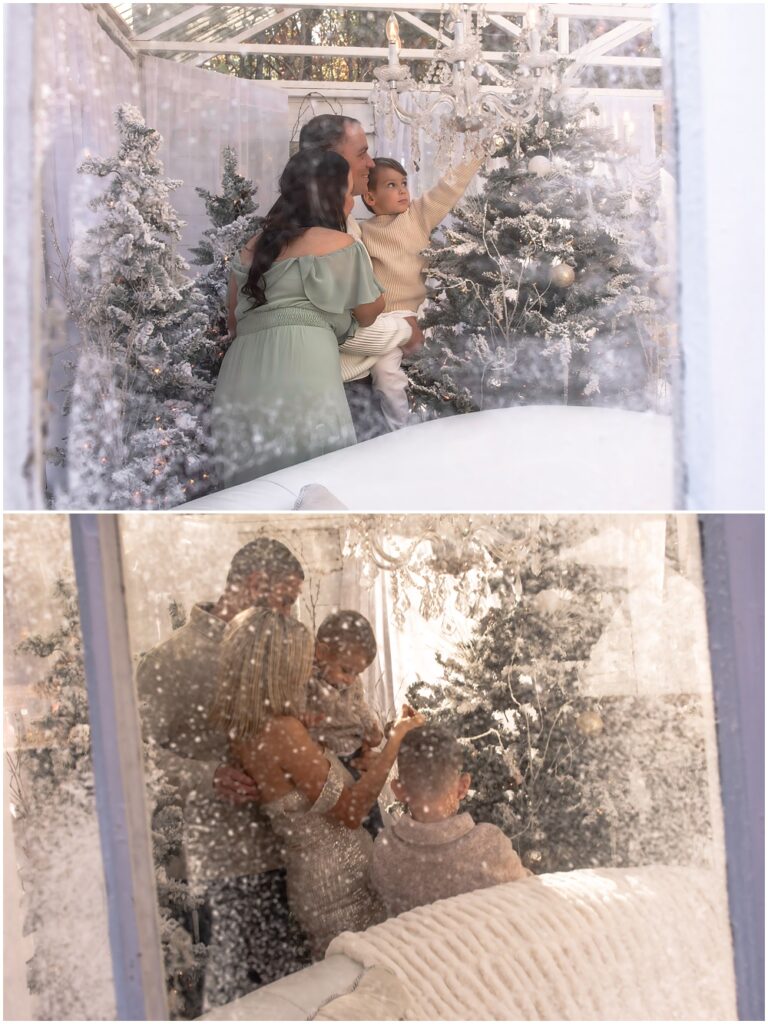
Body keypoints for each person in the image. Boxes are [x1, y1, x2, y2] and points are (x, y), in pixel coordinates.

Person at [136, 538, 311, 1011]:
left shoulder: (277, 646)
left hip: (292, 854)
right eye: (288, 600)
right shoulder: (170, 661)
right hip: (227, 866)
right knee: (240, 1005)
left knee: (301, 998)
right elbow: (133, 757)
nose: (293, 615)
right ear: (256, 585)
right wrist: (206, 776)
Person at [209, 608, 425, 959]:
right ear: (278, 665)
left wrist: (355, 760)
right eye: (302, 657)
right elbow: (352, 811)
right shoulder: (281, 731)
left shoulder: (257, 724)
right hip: (337, 890)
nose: (308, 666)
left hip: (333, 881)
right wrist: (396, 740)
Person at [211, 148, 385, 488]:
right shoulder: (340, 244)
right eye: (349, 191)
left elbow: (233, 324)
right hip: (302, 364)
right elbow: (368, 312)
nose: (352, 202)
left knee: (249, 485)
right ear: (332, 194)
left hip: (240, 373)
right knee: (316, 477)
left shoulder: (249, 248)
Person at [299, 114, 425, 441]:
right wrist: (403, 330)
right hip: (341, 393)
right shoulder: (318, 232)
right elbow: (333, 328)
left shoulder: (348, 224)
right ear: (329, 160)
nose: (370, 162)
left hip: (356, 383)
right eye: (361, 154)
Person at [359, 155, 483, 431]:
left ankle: (454, 417)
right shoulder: (361, 231)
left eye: (404, 183)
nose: (403, 190)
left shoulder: (416, 217)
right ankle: (400, 429)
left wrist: (476, 155)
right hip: (383, 321)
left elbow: (447, 189)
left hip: (419, 312)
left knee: (445, 363)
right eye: (391, 185)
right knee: (385, 374)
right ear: (370, 196)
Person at [371, 725, 531, 918]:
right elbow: (528, 895)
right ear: (463, 786)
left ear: (398, 790)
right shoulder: (489, 845)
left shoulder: (385, 851)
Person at [304, 610, 385, 837]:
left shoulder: (352, 683)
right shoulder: (308, 681)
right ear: (321, 652)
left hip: (355, 749)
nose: (350, 679)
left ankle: (379, 845)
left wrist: (372, 727)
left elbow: (360, 706)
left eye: (357, 673)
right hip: (329, 756)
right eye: (346, 670)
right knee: (346, 815)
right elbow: (316, 709)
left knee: (371, 811)